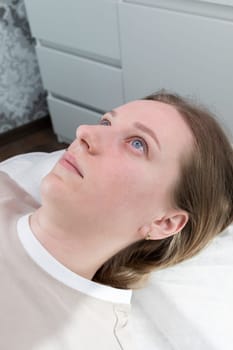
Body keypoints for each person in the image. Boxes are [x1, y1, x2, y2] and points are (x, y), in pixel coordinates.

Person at [0, 90, 232, 350]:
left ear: (163, 223)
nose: (84, 132)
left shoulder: (86, 339)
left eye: (137, 144)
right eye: (106, 123)